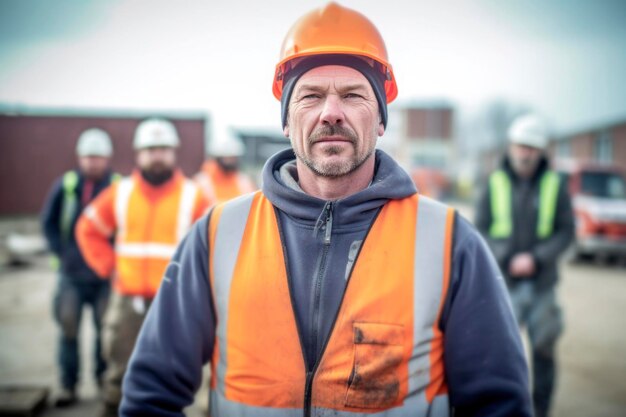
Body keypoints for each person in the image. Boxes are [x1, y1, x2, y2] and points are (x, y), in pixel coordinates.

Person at [122, 3, 532, 416]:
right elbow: (150, 394)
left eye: (353, 95)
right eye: (311, 96)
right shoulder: (216, 237)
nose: (331, 113)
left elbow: (499, 405)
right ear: (286, 121)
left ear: (382, 120)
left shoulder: (447, 242)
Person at [75, 118, 209, 417]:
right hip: (127, 302)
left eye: (163, 148)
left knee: (173, 373)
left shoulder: (193, 195)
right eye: (150, 149)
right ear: (138, 153)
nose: (157, 155)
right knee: (119, 370)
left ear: (173, 152)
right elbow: (88, 229)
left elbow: (214, 243)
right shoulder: (120, 192)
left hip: (175, 302)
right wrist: (109, 267)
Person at [475, 114, 575, 417]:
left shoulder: (555, 184)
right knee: (499, 354)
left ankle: (540, 411)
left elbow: (566, 231)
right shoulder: (494, 182)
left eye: (531, 147)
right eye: (520, 145)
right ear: (511, 147)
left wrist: (537, 258)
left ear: (541, 150)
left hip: (543, 286)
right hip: (503, 285)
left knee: (544, 353)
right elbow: (479, 230)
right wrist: (508, 257)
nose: (524, 152)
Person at [41, 128, 117, 407]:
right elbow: (48, 222)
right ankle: (68, 385)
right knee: (68, 329)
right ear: (80, 158)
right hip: (71, 276)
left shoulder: (118, 187)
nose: (93, 162)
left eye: (97, 157)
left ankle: (102, 381)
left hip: (104, 276)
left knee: (105, 331)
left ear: (107, 158)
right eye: (88, 157)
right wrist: (61, 255)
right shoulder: (67, 186)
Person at [194, 128, 256, 205]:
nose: (231, 161)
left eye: (233, 157)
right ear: (217, 157)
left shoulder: (244, 181)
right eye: (227, 158)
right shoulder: (202, 182)